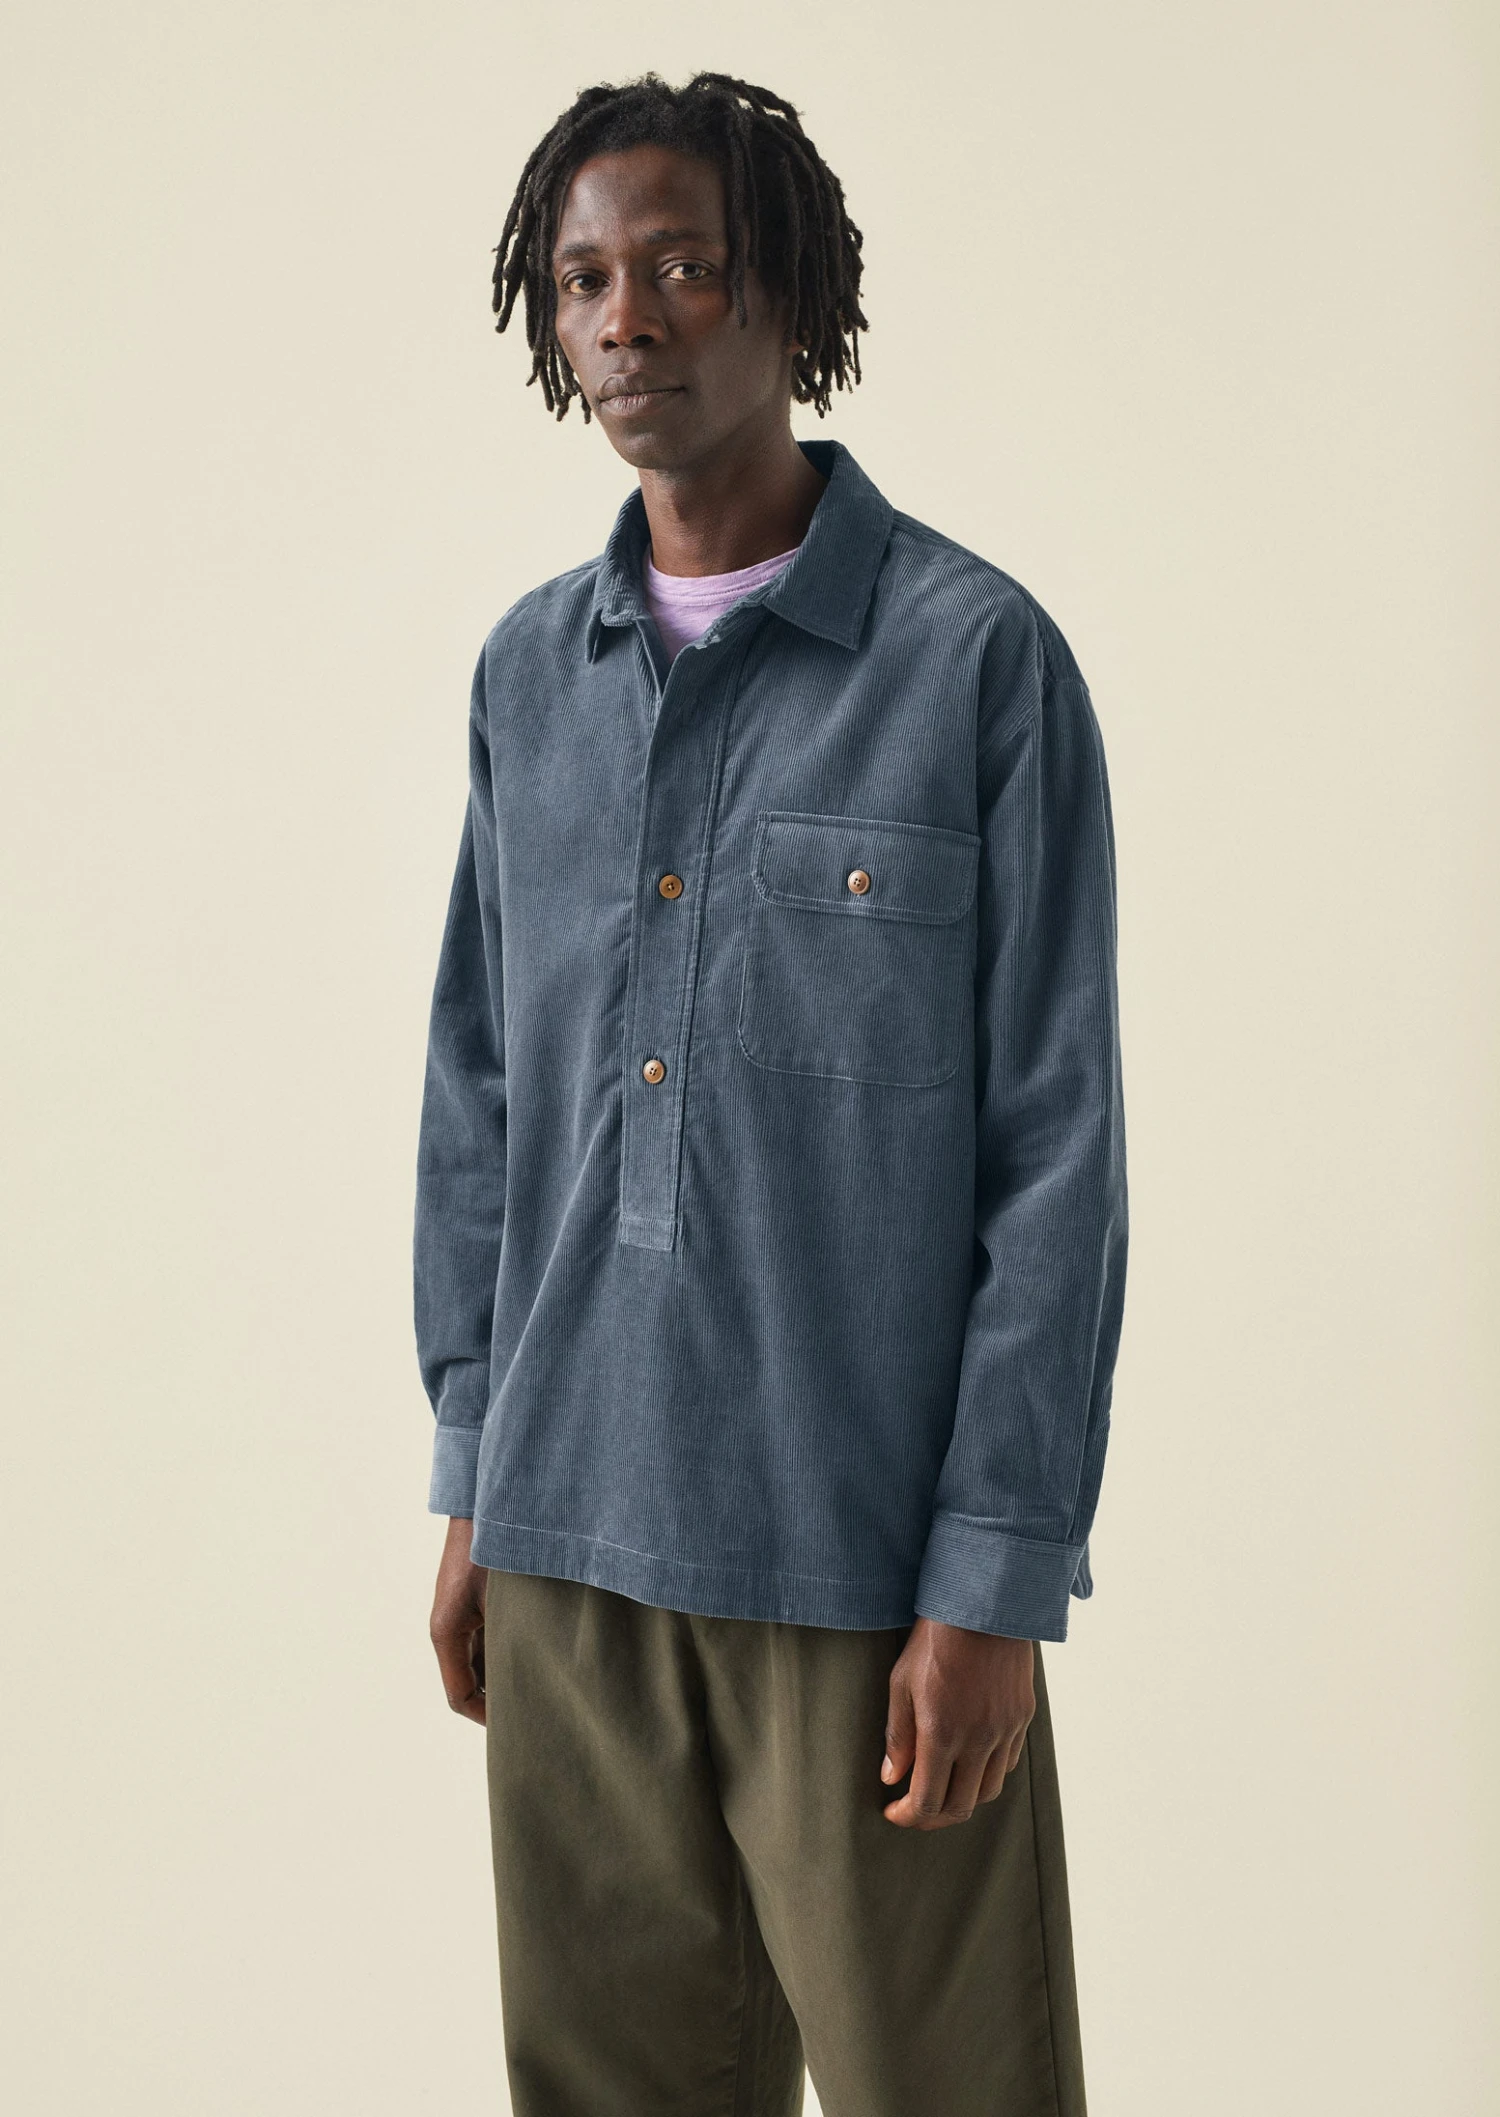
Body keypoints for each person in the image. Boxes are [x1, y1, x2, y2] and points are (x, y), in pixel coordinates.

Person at [415, 70, 1126, 2117]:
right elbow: (481, 1096)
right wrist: (472, 1473)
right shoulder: (527, 680)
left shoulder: (975, 663)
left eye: (683, 268)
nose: (626, 319)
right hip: (566, 1555)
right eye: (583, 280)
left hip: (859, 1569)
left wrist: (993, 1575)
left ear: (789, 296)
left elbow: (1056, 1150)